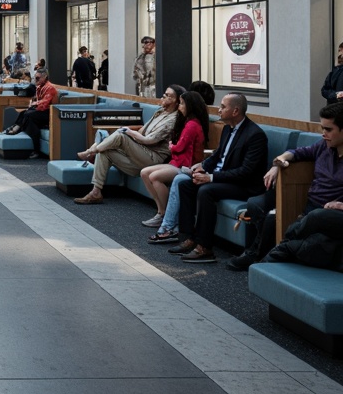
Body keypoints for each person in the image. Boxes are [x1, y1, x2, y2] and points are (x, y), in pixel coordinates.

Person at [225, 101, 343, 270]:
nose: (323, 133)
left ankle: (265, 262)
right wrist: (278, 163)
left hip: (328, 215)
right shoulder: (323, 146)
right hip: (310, 208)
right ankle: (258, 260)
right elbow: (297, 153)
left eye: (328, 129)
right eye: (322, 128)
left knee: (310, 226)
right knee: (271, 217)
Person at [167, 92, 268, 264]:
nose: (218, 110)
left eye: (223, 107)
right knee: (185, 184)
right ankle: (190, 237)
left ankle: (205, 247)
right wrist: (202, 166)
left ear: (235, 111)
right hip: (224, 178)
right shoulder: (228, 128)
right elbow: (218, 154)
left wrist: (211, 178)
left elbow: (246, 172)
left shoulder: (255, 135)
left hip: (244, 185)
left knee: (207, 190)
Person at [73, 85, 182, 205]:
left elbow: (150, 140)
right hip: (140, 155)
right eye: (164, 94)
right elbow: (142, 131)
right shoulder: (160, 112)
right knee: (106, 151)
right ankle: (95, 192)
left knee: (121, 136)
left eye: (168, 96)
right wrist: (129, 130)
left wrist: (130, 134)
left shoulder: (173, 119)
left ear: (177, 102)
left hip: (153, 158)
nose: (164, 97)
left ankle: (90, 152)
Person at [139, 87, 210, 228]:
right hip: (177, 161)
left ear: (190, 106)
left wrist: (171, 146)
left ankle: (166, 214)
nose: (179, 106)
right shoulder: (187, 122)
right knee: (144, 172)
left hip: (186, 165)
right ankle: (161, 211)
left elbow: (180, 147)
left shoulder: (192, 125)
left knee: (155, 177)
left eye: (182, 103)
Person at [4, 67, 58, 158]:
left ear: (44, 77)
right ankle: (35, 150)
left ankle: (18, 127)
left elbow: (44, 105)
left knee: (27, 114)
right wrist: (33, 104)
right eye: (34, 78)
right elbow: (37, 102)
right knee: (27, 116)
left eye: (37, 78)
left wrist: (33, 105)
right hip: (40, 111)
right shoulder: (40, 87)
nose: (35, 80)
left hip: (50, 113)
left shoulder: (50, 88)